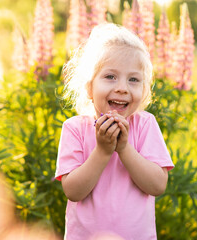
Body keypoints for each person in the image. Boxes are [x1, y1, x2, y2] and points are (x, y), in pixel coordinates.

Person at [55, 23, 174, 240]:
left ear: (144, 90)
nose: (122, 87)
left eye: (133, 79)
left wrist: (124, 149)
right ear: (90, 88)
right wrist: (102, 151)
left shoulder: (145, 125)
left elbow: (158, 185)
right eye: (110, 76)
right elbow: (72, 191)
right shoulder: (74, 128)